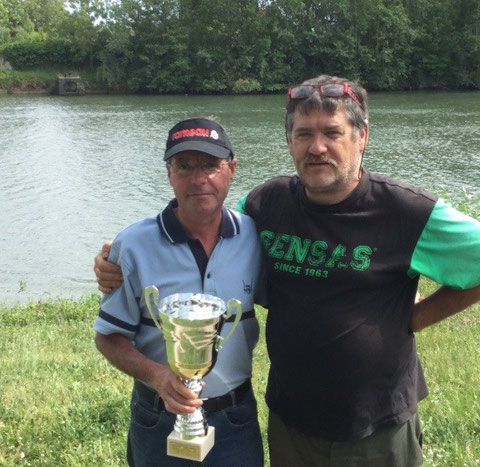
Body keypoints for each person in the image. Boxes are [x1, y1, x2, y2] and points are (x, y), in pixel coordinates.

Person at [95, 75, 480, 466]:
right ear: (289, 142)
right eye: (303, 134)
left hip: (375, 427)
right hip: (291, 423)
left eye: (332, 132)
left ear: (362, 137)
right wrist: (119, 256)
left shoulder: (407, 211)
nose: (317, 147)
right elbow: (204, 212)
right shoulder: (266, 204)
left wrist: (414, 316)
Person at [93, 117, 264, 467]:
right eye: (184, 166)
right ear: (168, 173)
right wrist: (158, 376)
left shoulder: (255, 235)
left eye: (211, 165)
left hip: (236, 415)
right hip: (158, 417)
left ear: (231, 168)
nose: (199, 179)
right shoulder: (133, 244)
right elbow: (108, 338)